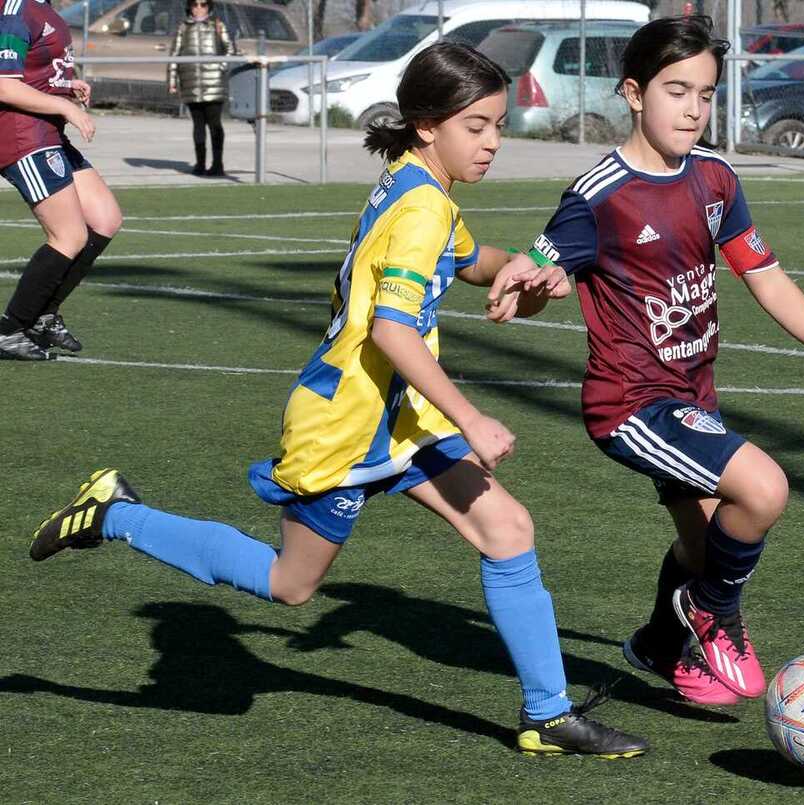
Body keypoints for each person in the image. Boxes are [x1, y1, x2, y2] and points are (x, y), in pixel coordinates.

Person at [29, 42, 649, 759]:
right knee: (290, 585)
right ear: (428, 125)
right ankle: (116, 513)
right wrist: (473, 416)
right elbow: (391, 331)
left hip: (402, 418)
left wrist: (522, 267)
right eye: (476, 126)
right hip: (348, 421)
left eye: (498, 125)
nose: (492, 142)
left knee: (507, 528)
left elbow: (464, 256)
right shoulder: (420, 205)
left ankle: (549, 713)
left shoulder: (421, 184)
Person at [487, 16, 804, 706]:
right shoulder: (597, 196)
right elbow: (535, 279)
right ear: (635, 93)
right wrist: (529, 287)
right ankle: (713, 613)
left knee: (705, 548)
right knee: (762, 489)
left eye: (706, 94)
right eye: (678, 91)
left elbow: (764, 275)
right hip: (631, 403)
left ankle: (657, 642)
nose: (695, 109)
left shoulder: (715, 178)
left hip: (692, 397)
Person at [0, 0, 123, 360]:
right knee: (69, 235)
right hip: (24, 137)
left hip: (48, 132)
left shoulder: (43, 7)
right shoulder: (15, 10)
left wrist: (66, 84)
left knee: (105, 219)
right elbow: (4, 86)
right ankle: (10, 329)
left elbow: (35, 69)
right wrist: (66, 106)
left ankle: (42, 315)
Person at [168, 0, 238, 176]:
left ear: (209, 7)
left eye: (203, 4)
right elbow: (174, 55)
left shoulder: (217, 25)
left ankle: (217, 164)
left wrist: (220, 66)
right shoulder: (182, 28)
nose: (199, 8)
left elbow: (230, 49)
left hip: (214, 84)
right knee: (198, 125)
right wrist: (172, 81)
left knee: (215, 124)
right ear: (189, 7)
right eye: (195, 4)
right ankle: (200, 164)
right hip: (191, 84)